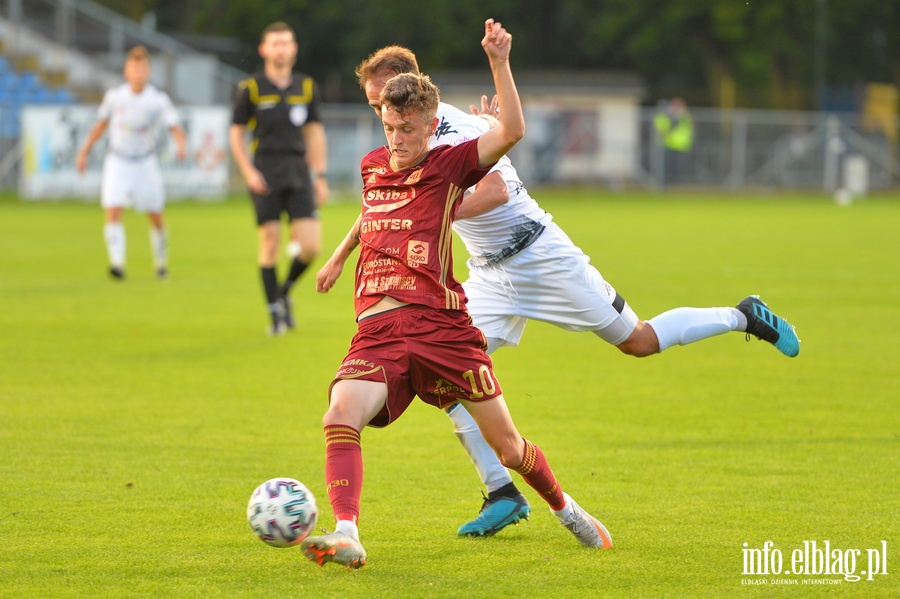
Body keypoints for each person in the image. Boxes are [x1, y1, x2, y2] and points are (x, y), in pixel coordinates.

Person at [352, 50, 800, 538]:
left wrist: (432, 211)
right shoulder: (409, 141)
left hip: (540, 257)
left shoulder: (452, 129)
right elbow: (384, 204)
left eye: (384, 102)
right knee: (454, 383)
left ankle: (743, 316)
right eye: (376, 108)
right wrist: (344, 255)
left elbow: (497, 190)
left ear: (412, 89)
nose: (382, 116)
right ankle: (503, 493)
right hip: (489, 276)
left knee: (639, 340)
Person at [301, 19, 613, 570]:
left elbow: (511, 130)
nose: (395, 138)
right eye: (387, 124)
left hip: (441, 329)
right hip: (377, 332)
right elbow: (374, 215)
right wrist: (339, 255)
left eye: (405, 128)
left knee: (511, 448)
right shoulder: (373, 167)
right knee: (338, 417)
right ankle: (347, 530)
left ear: (429, 126)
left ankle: (565, 508)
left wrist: (499, 61)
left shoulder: (448, 166)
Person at [229, 21, 329, 335]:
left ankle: (284, 292)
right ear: (264, 49)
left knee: (311, 246)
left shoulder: (306, 86)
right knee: (270, 242)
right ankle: (274, 314)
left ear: (294, 49)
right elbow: (236, 132)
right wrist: (248, 171)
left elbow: (314, 131)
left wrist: (320, 174)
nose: (281, 49)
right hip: (265, 171)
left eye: (286, 43)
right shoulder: (252, 88)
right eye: (275, 43)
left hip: (298, 172)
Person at [76, 45, 187, 280]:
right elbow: (100, 125)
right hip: (118, 160)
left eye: (142, 68)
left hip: (145, 161)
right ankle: (117, 263)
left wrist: (181, 144)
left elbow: (175, 126)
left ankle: (160, 263)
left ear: (148, 72)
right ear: (126, 71)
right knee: (114, 209)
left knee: (155, 214)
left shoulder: (157, 99)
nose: (138, 73)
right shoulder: (115, 97)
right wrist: (84, 150)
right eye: (133, 68)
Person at [653, 97, 694, 185]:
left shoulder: (684, 116)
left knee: (680, 167)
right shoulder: (664, 116)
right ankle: (666, 182)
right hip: (667, 144)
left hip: (682, 146)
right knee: (667, 166)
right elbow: (663, 129)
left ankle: (679, 183)